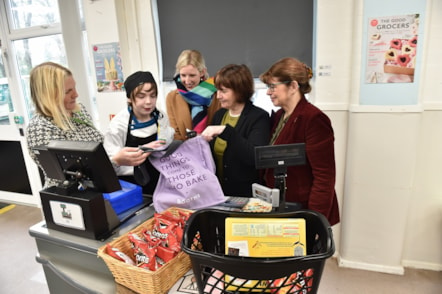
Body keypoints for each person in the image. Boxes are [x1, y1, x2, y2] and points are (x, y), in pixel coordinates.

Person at [259, 57, 340, 226]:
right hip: (282, 207)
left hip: (303, 211)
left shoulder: (313, 119)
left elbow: (324, 177)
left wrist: (315, 221)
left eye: (273, 86)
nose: (268, 92)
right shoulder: (280, 116)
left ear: (293, 86)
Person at [26, 62, 103, 187]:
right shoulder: (40, 128)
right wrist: (114, 161)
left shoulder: (79, 111)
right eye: (68, 91)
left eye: (74, 88)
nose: (76, 95)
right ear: (48, 95)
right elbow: (68, 173)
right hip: (69, 197)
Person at [201, 64, 270, 197]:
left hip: (245, 196)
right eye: (217, 90)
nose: (218, 96)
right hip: (218, 192)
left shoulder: (258, 117)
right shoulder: (219, 115)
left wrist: (226, 131)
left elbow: (254, 157)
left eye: (224, 91)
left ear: (240, 90)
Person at [103, 71, 174, 195]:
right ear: (130, 98)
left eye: (153, 96)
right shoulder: (118, 125)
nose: (148, 102)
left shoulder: (161, 117)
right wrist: (118, 159)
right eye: (141, 96)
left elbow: (166, 140)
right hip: (131, 186)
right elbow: (109, 165)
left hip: (159, 180)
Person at [166, 49, 221, 140]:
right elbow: (175, 134)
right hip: (185, 150)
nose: (187, 81)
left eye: (192, 75)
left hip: (213, 150)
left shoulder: (217, 94)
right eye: (183, 75)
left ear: (202, 72)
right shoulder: (172, 98)